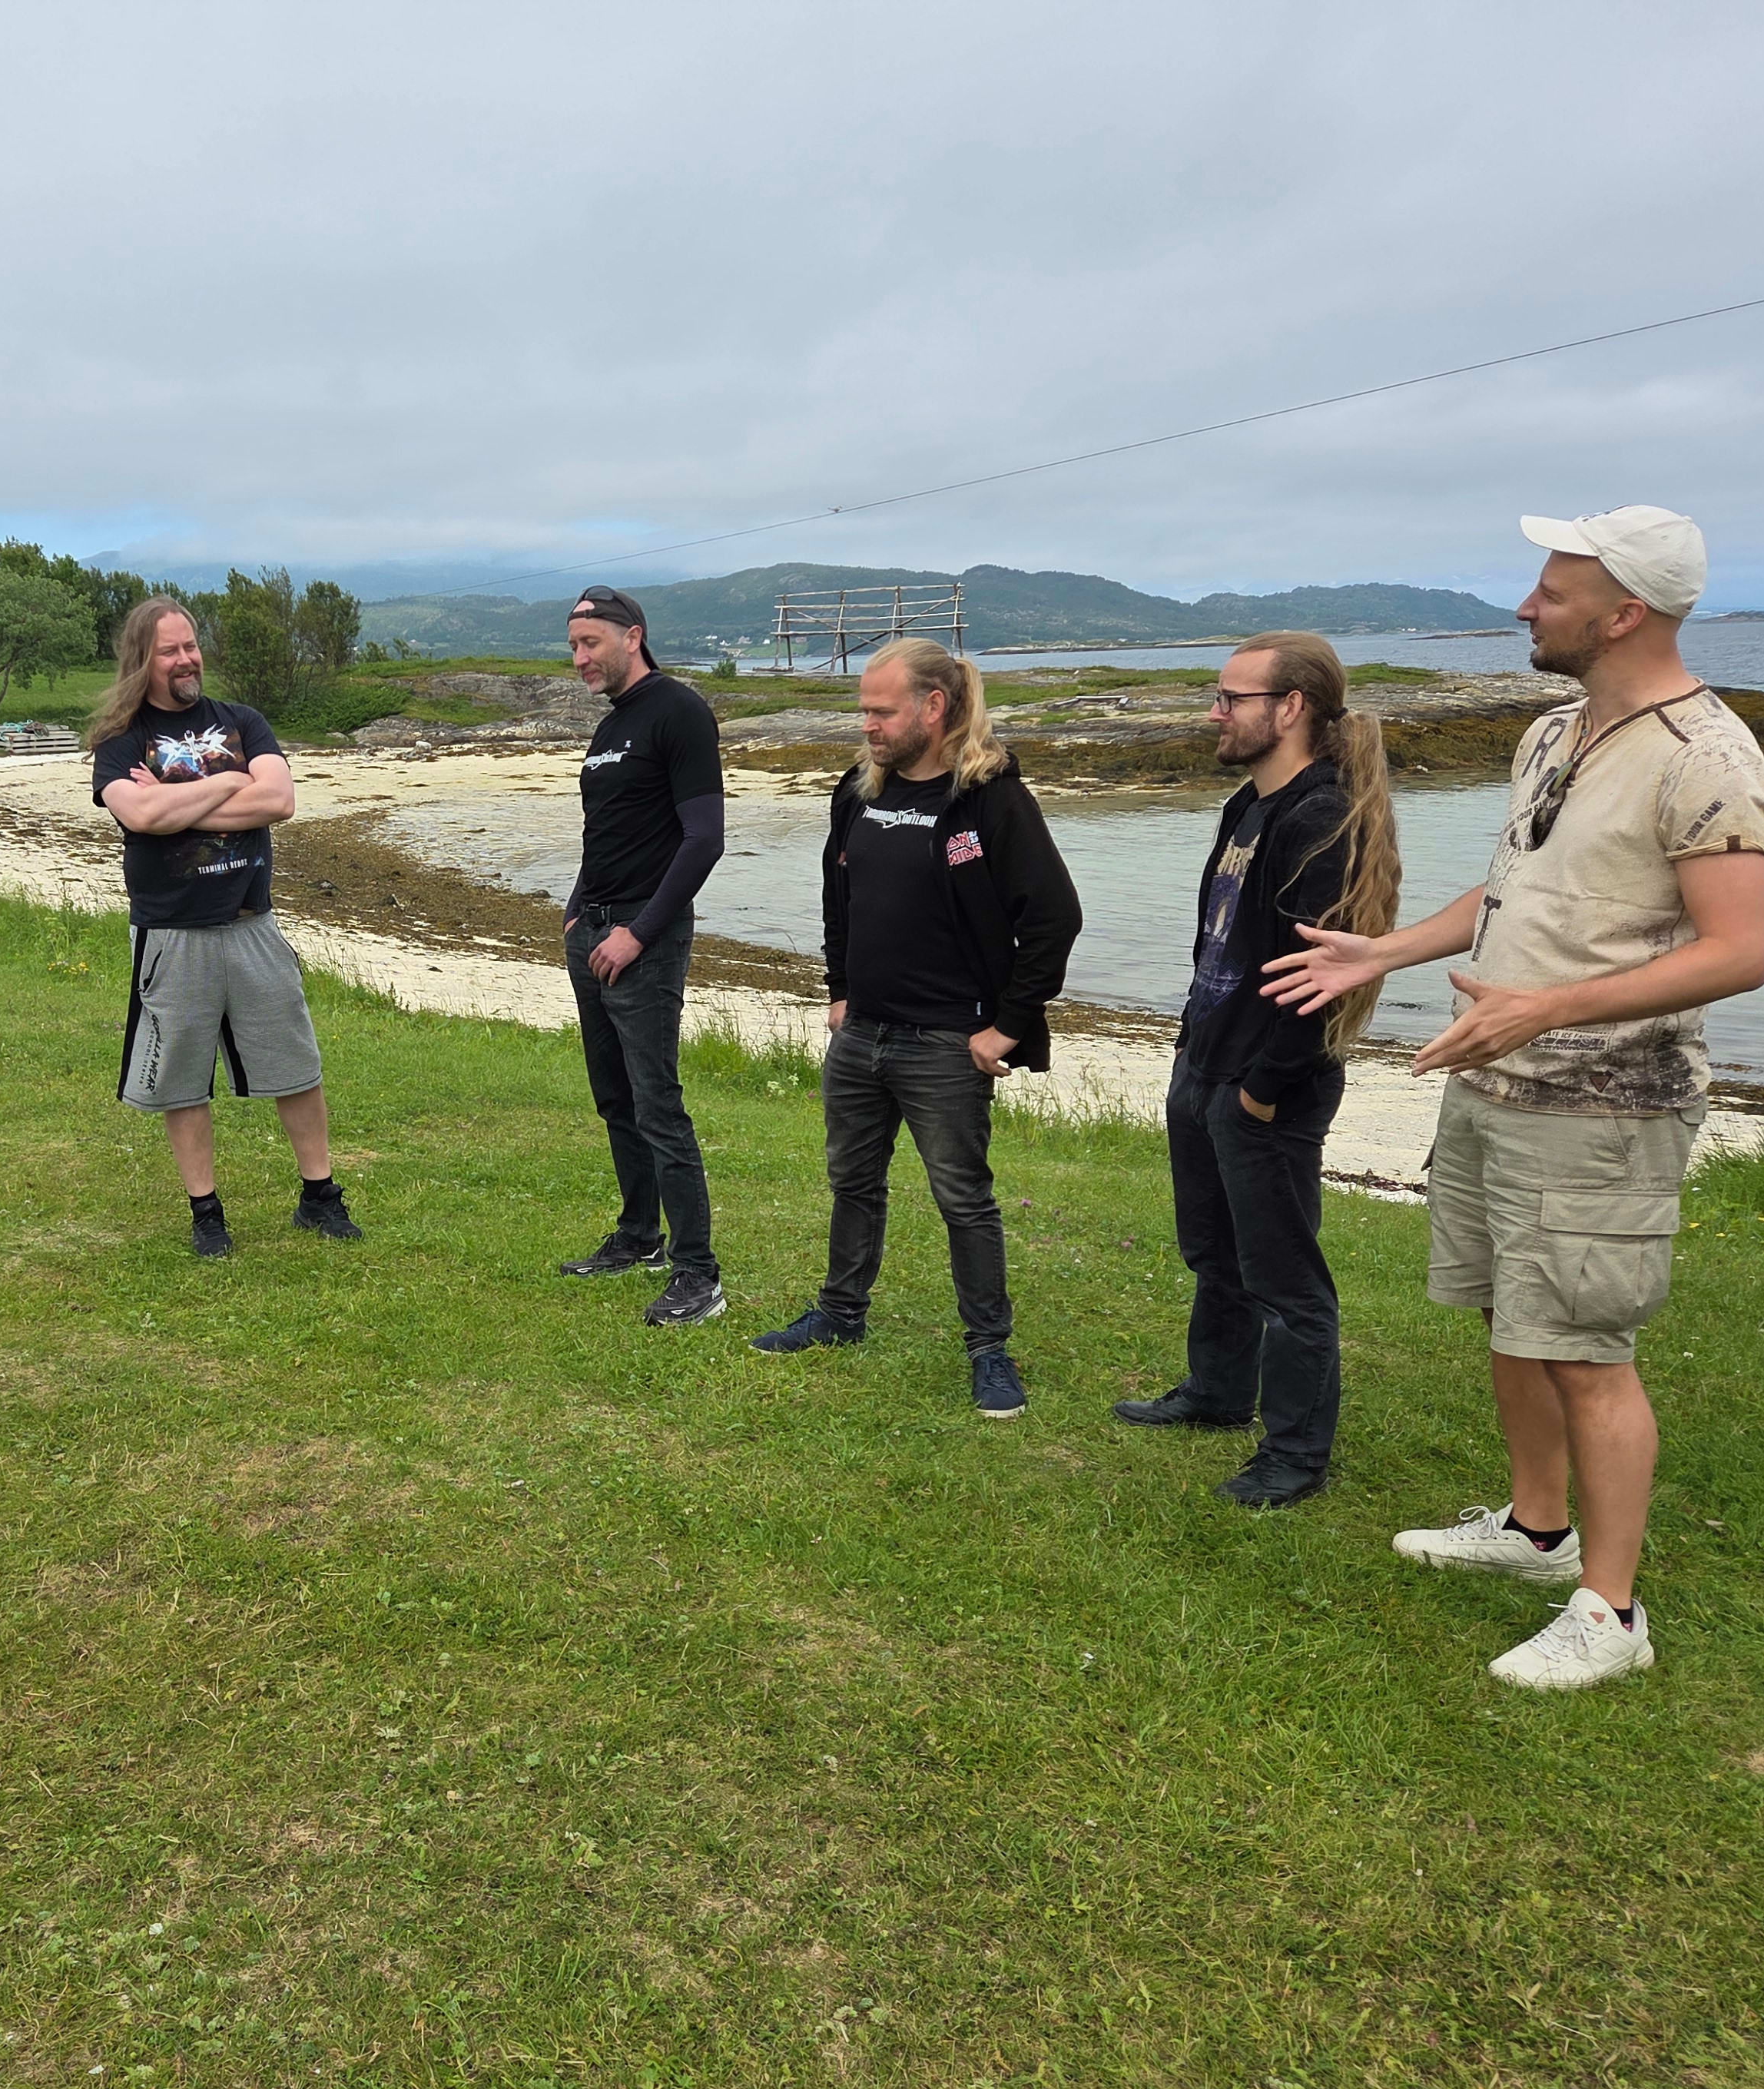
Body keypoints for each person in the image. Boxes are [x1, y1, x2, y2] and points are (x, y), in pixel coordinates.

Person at [1267, 509, 1764, 1690]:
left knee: (1586, 1348)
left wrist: (1543, 1009)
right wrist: (1382, 951)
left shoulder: (1707, 757)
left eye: (1552, 593)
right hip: (1497, 1080)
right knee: (1513, 1317)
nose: (1525, 607)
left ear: (1625, 613)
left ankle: (1612, 1610)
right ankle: (1538, 1532)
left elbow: (1740, 950)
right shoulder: (1556, 731)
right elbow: (1512, 887)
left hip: (1607, 1105)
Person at [755, 638, 1082, 1418]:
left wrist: (1007, 1028)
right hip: (861, 1034)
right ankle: (840, 1314)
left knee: (963, 1200)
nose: (866, 725)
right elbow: (838, 897)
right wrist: (840, 992)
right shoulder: (858, 791)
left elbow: (1053, 917)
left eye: (881, 711)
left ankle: (988, 1349)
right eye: (863, 711)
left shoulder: (991, 800)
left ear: (933, 708)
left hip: (946, 1043)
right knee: (852, 1183)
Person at [1113, 633, 1401, 1505]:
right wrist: (1191, 1048)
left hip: (1266, 1086)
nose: (1215, 713)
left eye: (1231, 699)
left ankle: (1294, 1455)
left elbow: (1322, 982)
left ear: (1291, 708)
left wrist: (1262, 1092)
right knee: (1214, 1251)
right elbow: (1222, 939)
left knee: (1285, 1281)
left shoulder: (1321, 819)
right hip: (1206, 1060)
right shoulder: (1251, 804)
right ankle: (1217, 1392)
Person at [86, 598, 359, 1257]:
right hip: (172, 933)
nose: (187, 660)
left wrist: (172, 799)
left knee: (296, 1063)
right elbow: (141, 817)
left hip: (252, 923)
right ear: (142, 660)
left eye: (191, 645)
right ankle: (206, 1213)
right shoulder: (119, 740)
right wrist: (229, 784)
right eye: (170, 651)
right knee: (183, 1078)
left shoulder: (242, 721)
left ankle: (319, 1197)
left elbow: (280, 800)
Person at [554, 586, 728, 1325]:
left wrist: (640, 932)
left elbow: (704, 838)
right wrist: (576, 911)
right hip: (593, 933)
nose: (580, 658)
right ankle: (638, 1236)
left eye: (591, 643)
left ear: (634, 636)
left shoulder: (678, 711)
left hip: (643, 940)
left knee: (658, 1103)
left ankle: (698, 1273)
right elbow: (608, 833)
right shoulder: (610, 726)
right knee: (616, 1098)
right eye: (573, 646)